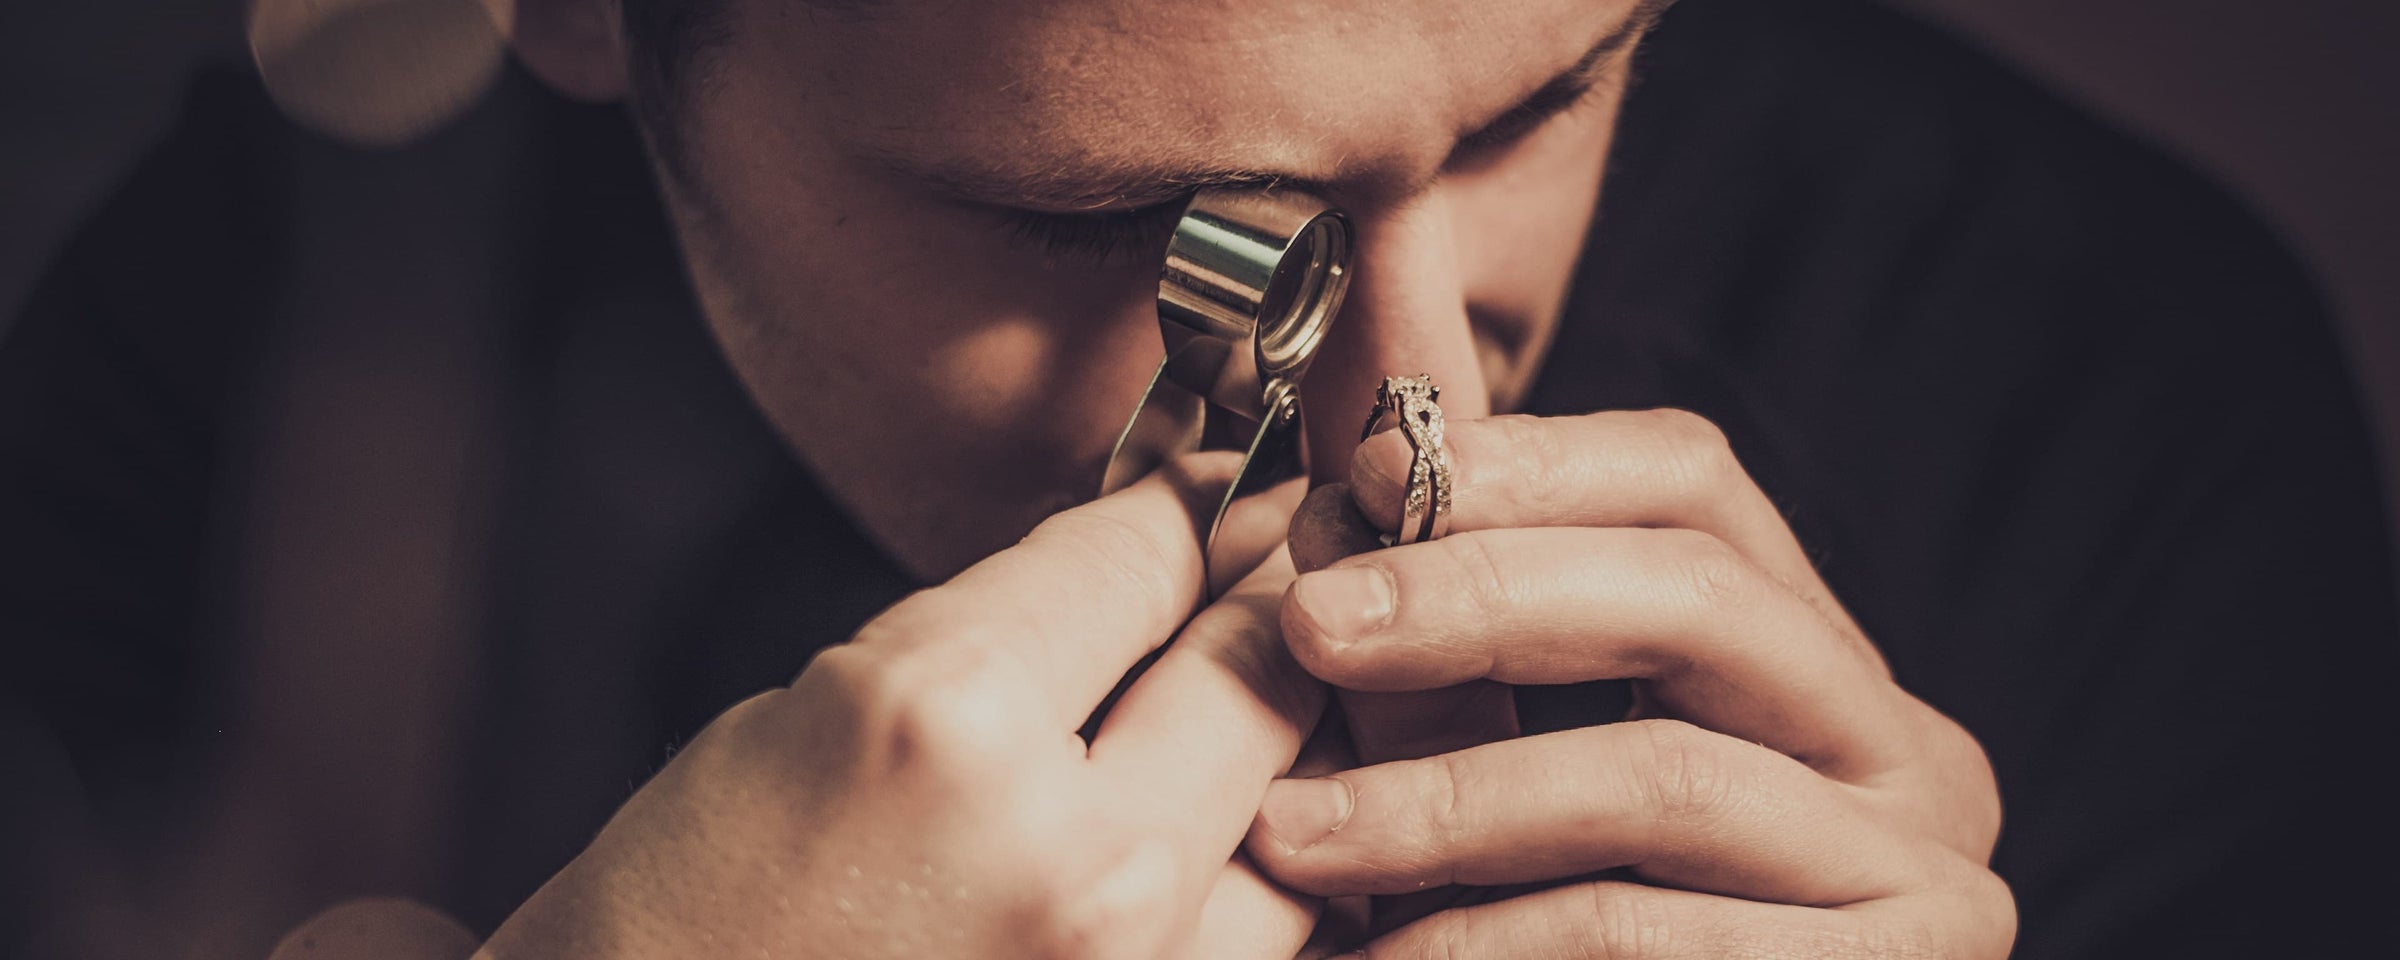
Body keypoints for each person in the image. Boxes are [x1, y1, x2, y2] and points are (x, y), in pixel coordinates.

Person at [3, 0, 2393, 956]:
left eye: (1545, 108)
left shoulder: (2120, 415)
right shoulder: (220, 337)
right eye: (1125, 226)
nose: (1403, 428)